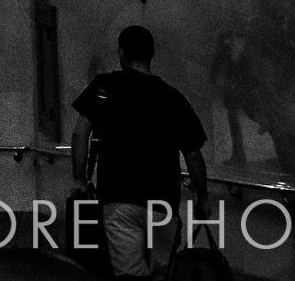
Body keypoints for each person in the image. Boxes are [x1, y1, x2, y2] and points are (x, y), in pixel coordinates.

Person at [70, 25, 209, 278]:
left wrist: (80, 179)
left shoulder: (105, 87)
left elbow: (81, 134)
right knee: (160, 274)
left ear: (121, 52)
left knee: (130, 274)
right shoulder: (172, 97)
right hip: (163, 202)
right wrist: (203, 197)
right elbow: (193, 154)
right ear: (151, 54)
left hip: (118, 198)